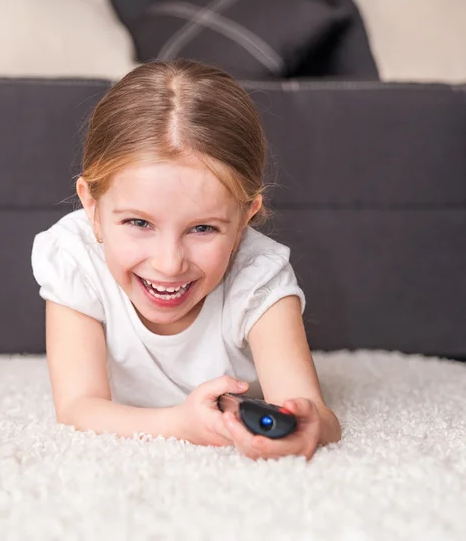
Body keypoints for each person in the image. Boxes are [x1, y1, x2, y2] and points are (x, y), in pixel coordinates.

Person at [31, 59, 341, 461]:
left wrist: (309, 426)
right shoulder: (74, 256)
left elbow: (317, 414)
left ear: (245, 218)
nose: (169, 263)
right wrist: (179, 425)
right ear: (92, 206)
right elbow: (77, 408)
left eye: (202, 229)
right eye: (139, 222)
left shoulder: (258, 275)